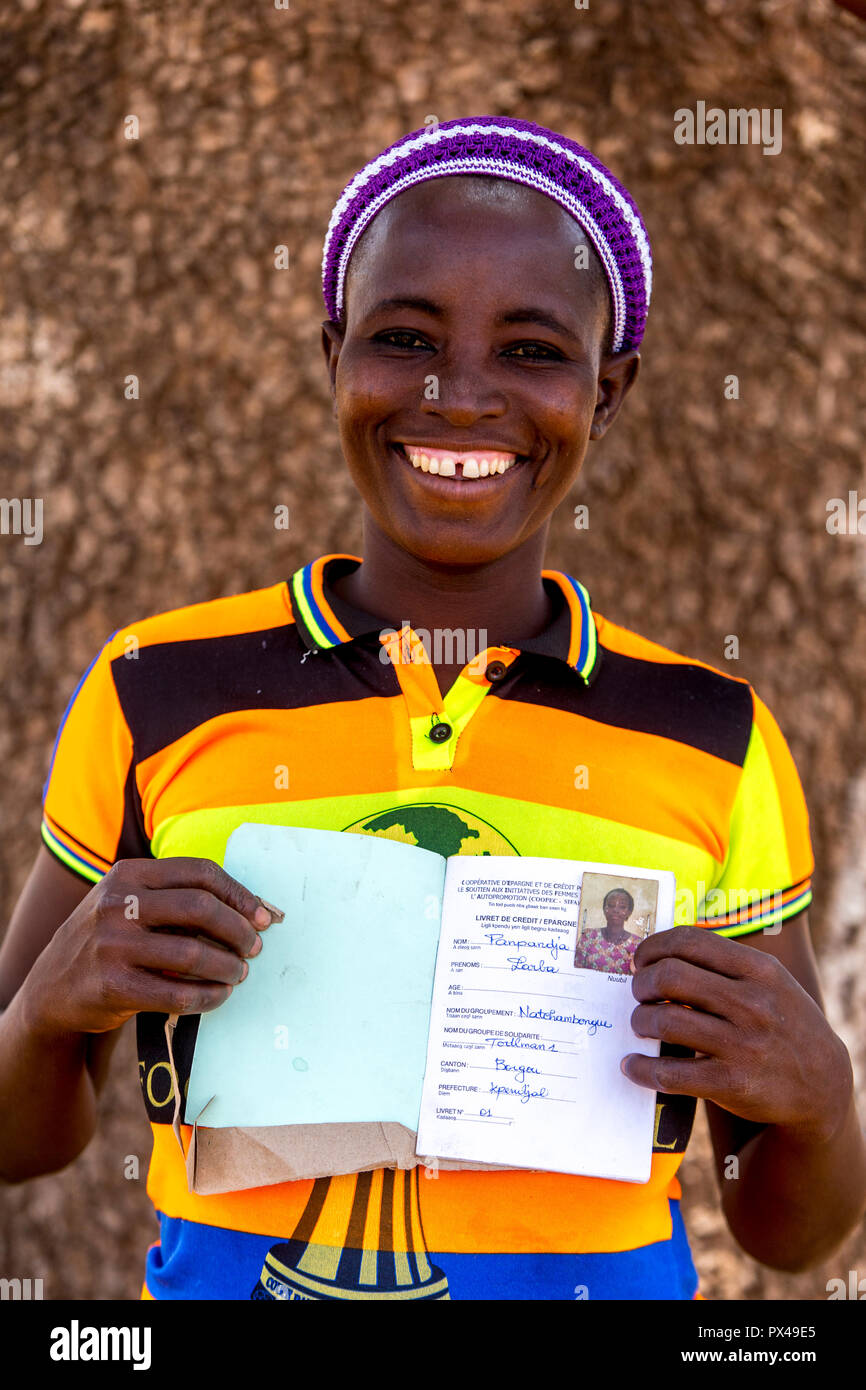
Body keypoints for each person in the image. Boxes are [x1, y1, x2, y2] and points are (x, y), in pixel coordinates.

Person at [1, 116, 864, 1301]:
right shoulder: (158, 685)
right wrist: (52, 1010)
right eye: (402, 337)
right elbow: (21, 1141)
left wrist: (817, 1099)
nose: (457, 397)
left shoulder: (709, 733)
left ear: (605, 393)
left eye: (531, 351)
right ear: (332, 355)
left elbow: (785, 1233)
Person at [574, 887, 641, 974]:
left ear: (629, 912)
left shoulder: (637, 944)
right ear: (604, 909)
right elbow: (576, 971)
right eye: (611, 906)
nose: (616, 910)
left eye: (622, 907)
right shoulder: (588, 936)